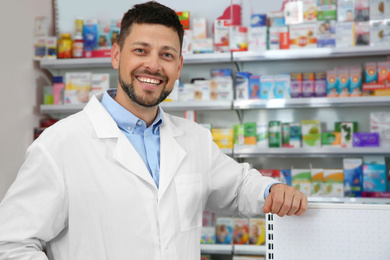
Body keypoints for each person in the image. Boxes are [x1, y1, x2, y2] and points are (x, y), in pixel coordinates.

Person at [0, 2, 307, 259]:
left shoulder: (194, 139)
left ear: (179, 66)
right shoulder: (60, 144)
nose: (153, 65)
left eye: (167, 55)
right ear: (116, 55)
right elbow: (11, 243)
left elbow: (239, 187)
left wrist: (272, 191)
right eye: (141, 50)